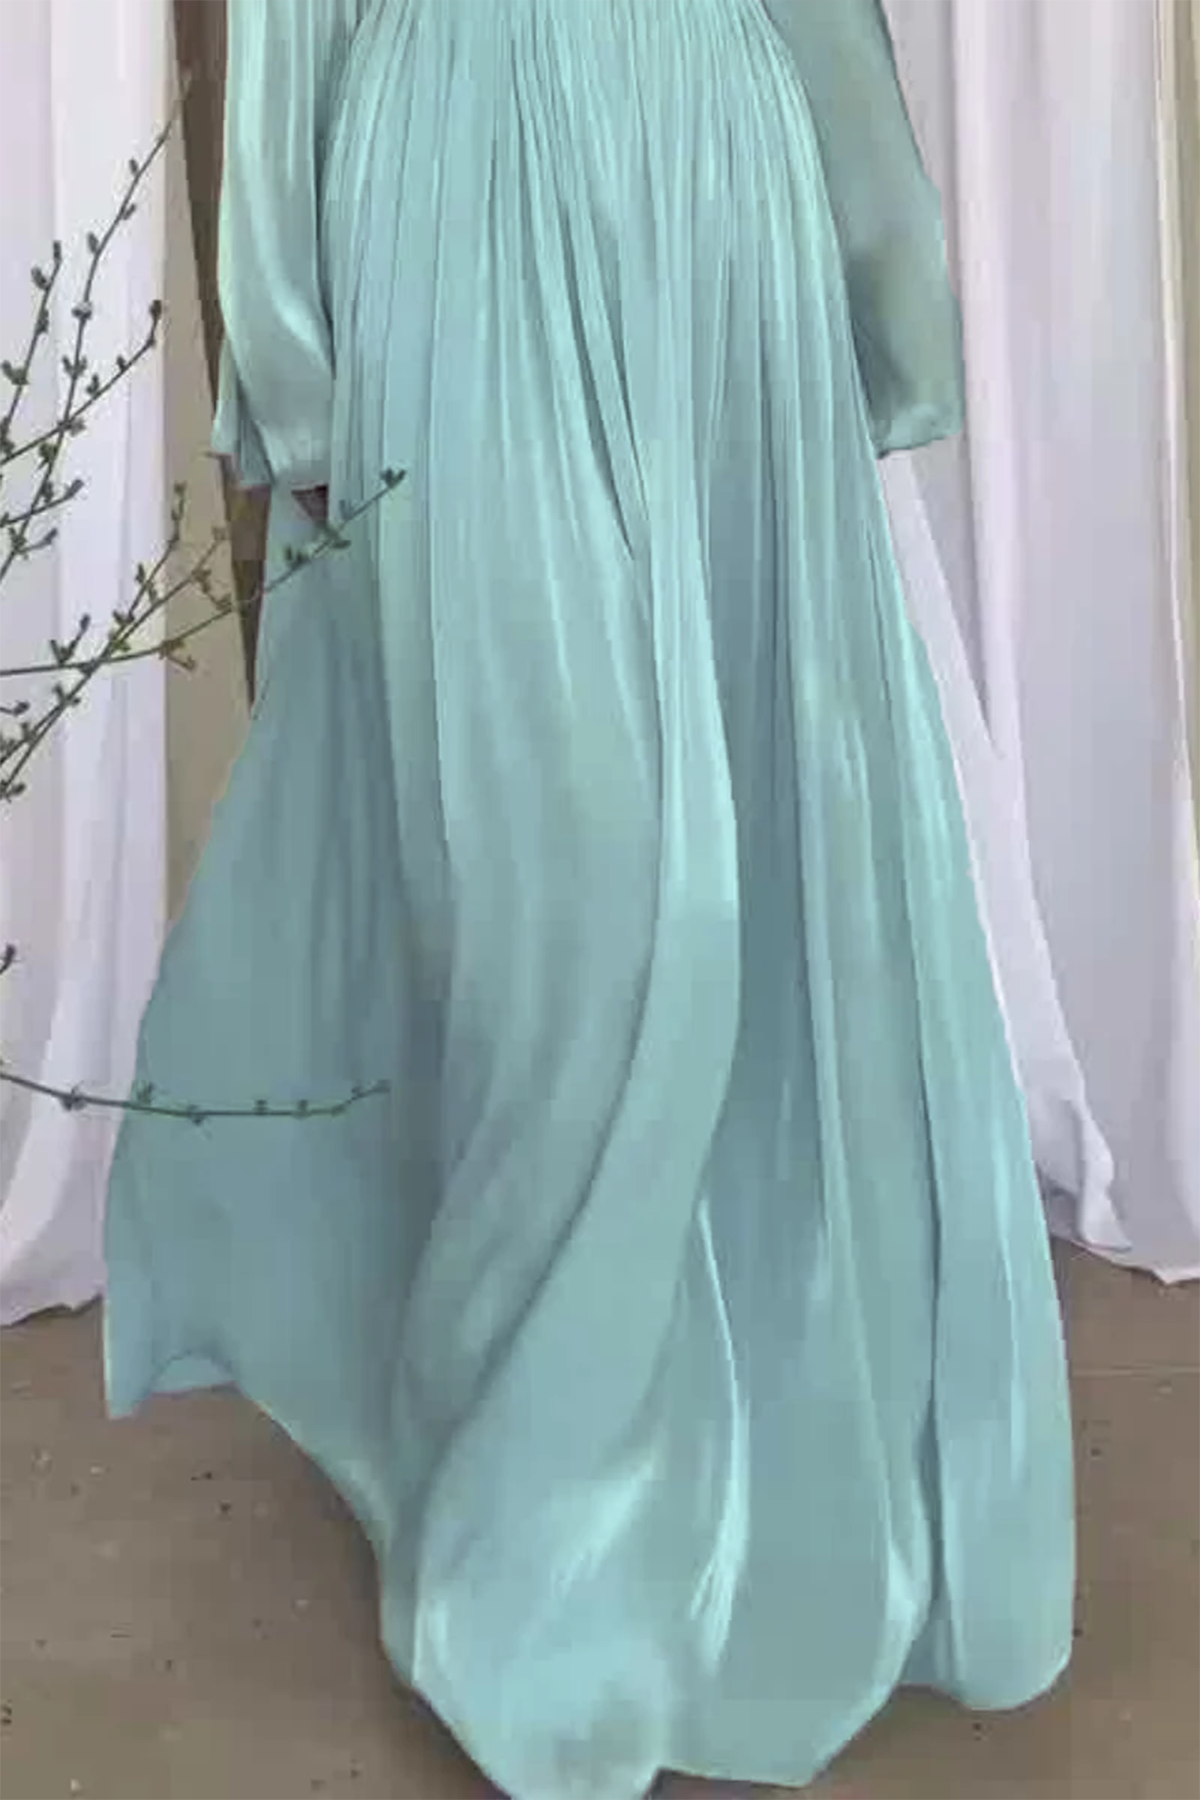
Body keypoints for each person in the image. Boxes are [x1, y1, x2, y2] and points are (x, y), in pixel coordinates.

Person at [103, 3, 1075, 1796]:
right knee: (581, 919)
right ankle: (540, 1568)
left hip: (710, 188)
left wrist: (882, 249)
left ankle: (723, 1506)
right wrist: (288, 339)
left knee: (746, 868)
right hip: (454, 193)